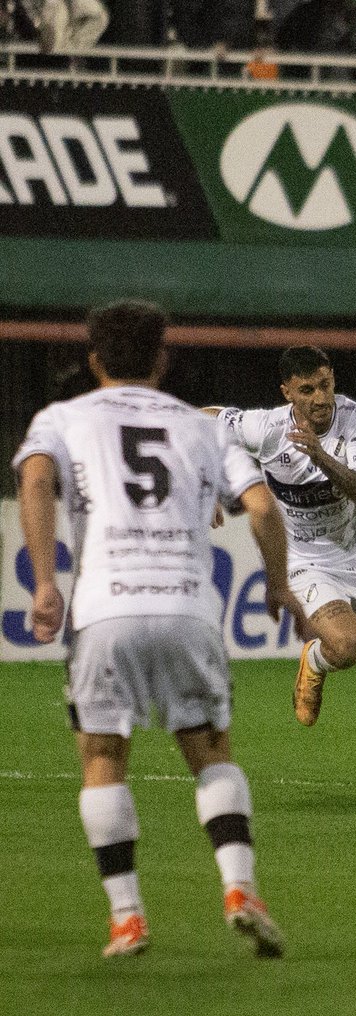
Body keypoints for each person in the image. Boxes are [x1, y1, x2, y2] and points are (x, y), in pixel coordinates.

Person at [13, 299, 303, 959]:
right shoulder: (200, 427)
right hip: (186, 608)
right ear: (162, 358)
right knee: (210, 752)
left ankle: (127, 917)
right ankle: (238, 888)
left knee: (103, 755)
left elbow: (34, 480)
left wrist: (43, 582)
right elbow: (261, 508)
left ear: (93, 360)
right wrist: (279, 583)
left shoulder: (64, 416)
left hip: (105, 607)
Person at [204, 346, 356, 792]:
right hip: (304, 557)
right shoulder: (266, 427)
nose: (320, 397)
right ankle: (314, 661)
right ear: (287, 393)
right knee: (347, 645)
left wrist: (320, 456)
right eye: (306, 390)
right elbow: (203, 418)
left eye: (326, 384)